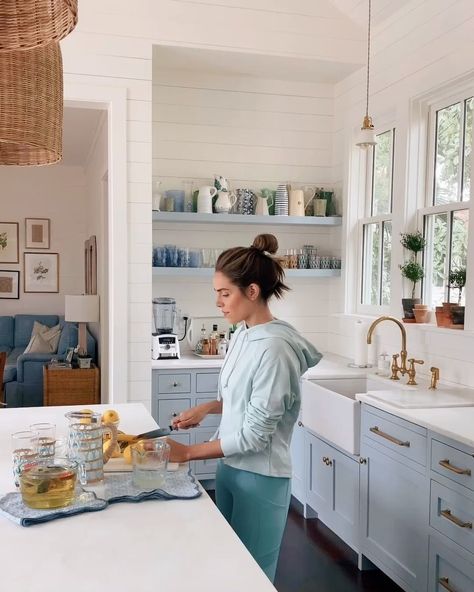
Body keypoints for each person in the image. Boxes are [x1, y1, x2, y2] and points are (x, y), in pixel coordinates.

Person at [166, 233, 322, 582]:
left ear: (252, 291)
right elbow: (246, 401)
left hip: (260, 478)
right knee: (226, 566)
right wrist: (208, 407)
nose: (219, 303)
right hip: (230, 469)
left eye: (225, 293)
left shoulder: (277, 349)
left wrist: (189, 453)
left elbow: (255, 434)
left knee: (253, 576)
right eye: (217, 294)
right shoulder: (243, 334)